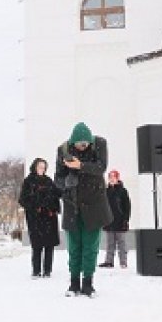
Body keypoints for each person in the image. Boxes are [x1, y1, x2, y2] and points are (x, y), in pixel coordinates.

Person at [54, 122, 112, 297]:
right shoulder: (63, 150)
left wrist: (80, 166)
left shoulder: (100, 144)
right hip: (72, 205)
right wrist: (66, 182)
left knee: (90, 246)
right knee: (74, 246)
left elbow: (101, 167)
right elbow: (57, 178)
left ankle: (88, 283)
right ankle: (73, 283)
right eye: (79, 143)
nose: (82, 146)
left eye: (85, 143)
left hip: (94, 205)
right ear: (73, 142)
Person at [18, 158, 61, 278]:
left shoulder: (49, 181)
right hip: (35, 218)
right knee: (37, 245)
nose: (41, 169)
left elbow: (56, 194)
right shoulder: (28, 181)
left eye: (43, 167)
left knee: (49, 245)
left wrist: (53, 207)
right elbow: (23, 199)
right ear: (34, 167)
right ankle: (36, 270)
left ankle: (47, 270)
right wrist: (35, 206)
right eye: (39, 166)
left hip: (49, 217)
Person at [101, 170, 132, 269]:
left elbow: (127, 207)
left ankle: (123, 262)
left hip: (120, 221)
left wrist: (126, 219)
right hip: (109, 221)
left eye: (113, 177)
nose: (111, 179)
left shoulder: (123, 191)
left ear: (118, 178)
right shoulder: (106, 191)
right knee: (110, 243)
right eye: (110, 177)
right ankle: (109, 261)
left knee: (121, 243)